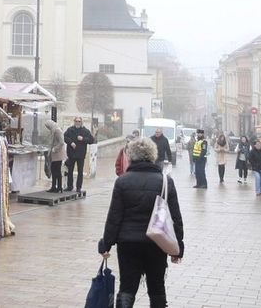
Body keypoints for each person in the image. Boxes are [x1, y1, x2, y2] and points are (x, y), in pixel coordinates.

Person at [97, 136, 184, 308]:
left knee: (127, 287)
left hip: (128, 243)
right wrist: (178, 248)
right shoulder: (166, 182)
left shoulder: (122, 181)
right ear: (153, 155)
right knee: (157, 287)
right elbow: (175, 217)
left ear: (131, 156)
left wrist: (106, 244)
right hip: (157, 242)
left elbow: (114, 217)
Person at [64, 116, 96, 194]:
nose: (77, 122)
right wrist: (71, 142)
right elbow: (64, 137)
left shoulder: (85, 131)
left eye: (79, 121)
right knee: (70, 171)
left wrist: (83, 139)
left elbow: (91, 140)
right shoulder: (70, 130)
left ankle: (78, 187)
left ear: (81, 122)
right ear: (74, 122)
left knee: (80, 172)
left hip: (80, 155)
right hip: (71, 154)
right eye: (76, 121)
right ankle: (69, 186)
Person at [44, 119, 66, 193]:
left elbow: (62, 142)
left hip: (58, 154)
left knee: (56, 170)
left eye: (48, 126)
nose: (48, 128)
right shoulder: (54, 130)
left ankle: (58, 187)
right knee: (55, 170)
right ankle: (55, 187)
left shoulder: (57, 130)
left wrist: (54, 149)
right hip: (55, 154)